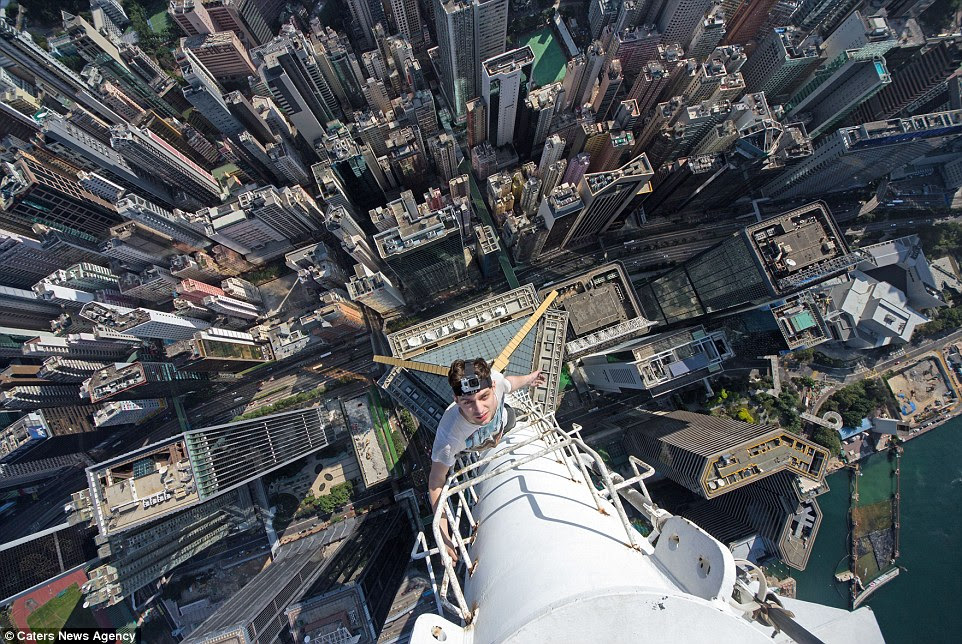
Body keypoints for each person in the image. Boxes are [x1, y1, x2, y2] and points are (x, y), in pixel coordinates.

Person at [428, 358, 545, 559]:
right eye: (468, 403)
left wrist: (529, 379)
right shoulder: (450, 437)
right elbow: (436, 482)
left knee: (510, 418)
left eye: (484, 397)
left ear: (492, 386)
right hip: (477, 445)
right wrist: (444, 536)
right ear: (456, 401)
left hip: (503, 423)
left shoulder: (497, 382)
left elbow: (509, 383)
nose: (479, 409)